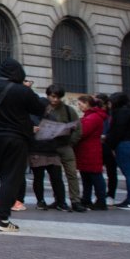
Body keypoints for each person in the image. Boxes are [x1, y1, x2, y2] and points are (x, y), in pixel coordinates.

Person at [0, 58, 43, 232]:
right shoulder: (23, 91)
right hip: (16, 139)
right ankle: (3, 220)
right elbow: (39, 109)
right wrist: (28, 90)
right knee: (10, 178)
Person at [43, 84, 86, 212]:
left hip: (65, 145)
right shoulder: (44, 109)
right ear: (48, 95)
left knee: (72, 174)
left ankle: (75, 200)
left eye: (58, 97)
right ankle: (59, 199)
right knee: (55, 176)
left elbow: (78, 129)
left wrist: (71, 142)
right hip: (50, 147)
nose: (55, 99)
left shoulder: (68, 110)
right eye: (53, 96)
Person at [106, 92, 130, 210]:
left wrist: (111, 145)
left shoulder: (120, 113)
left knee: (129, 172)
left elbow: (117, 131)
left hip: (124, 143)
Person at [75, 95, 109, 210]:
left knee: (94, 175)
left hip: (90, 149)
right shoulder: (91, 116)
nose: (79, 107)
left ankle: (100, 200)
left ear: (87, 103)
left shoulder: (92, 117)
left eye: (80, 104)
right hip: (88, 149)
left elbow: (82, 132)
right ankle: (87, 198)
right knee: (86, 176)